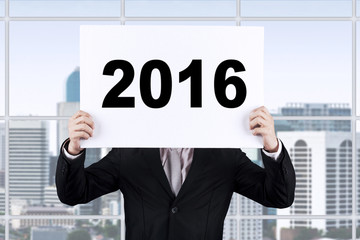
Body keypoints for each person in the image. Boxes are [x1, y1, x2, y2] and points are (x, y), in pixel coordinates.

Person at [56, 106, 295, 240]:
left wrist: (272, 145)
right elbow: (74, 193)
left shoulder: (224, 155)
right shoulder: (129, 153)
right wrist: (74, 147)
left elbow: (278, 197)